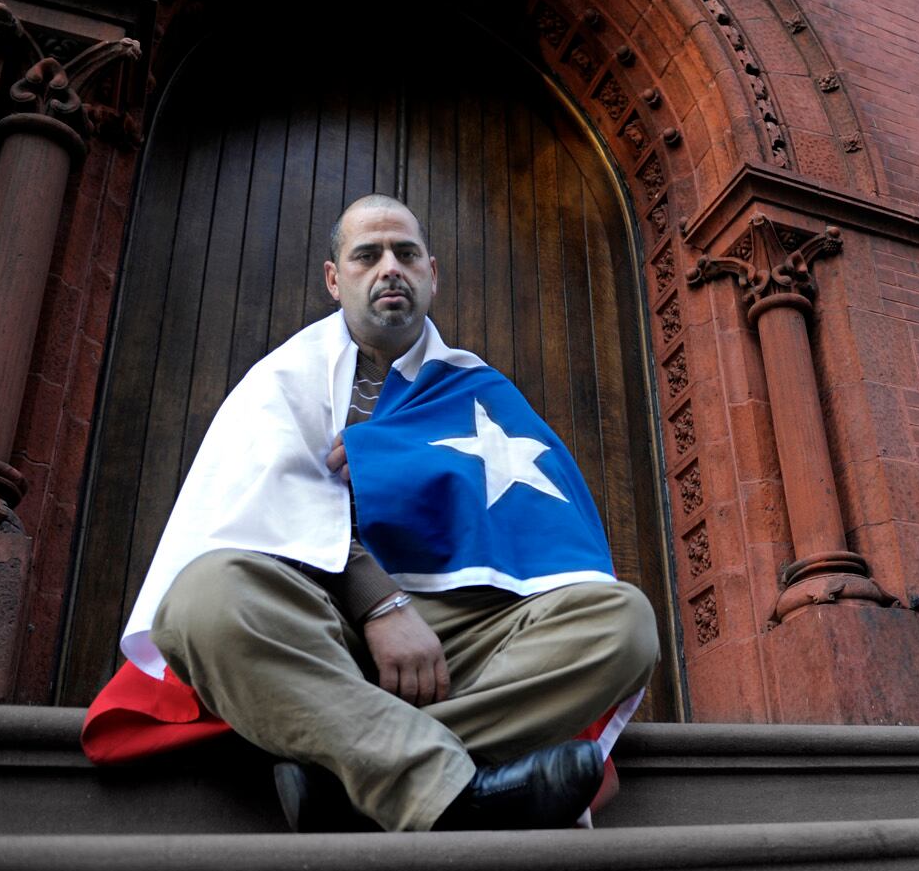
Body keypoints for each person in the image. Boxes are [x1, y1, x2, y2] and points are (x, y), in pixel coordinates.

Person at [114, 194, 659, 832]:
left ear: (433, 273)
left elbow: (529, 536)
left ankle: (352, 769)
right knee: (202, 599)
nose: (388, 268)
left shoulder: (479, 390)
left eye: (405, 253)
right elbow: (260, 521)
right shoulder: (283, 381)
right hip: (319, 620)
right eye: (367, 255)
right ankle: (461, 785)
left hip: (460, 633)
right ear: (334, 277)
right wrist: (378, 601)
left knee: (623, 621)